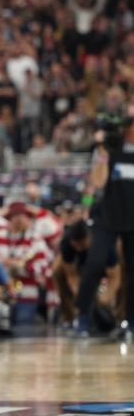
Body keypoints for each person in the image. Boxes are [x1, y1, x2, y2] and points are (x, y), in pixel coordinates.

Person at [74, 96, 134, 341]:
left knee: (133, 270)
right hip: (108, 216)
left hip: (133, 218)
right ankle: (82, 317)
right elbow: (96, 183)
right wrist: (102, 151)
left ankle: (130, 322)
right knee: (94, 264)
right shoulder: (109, 150)